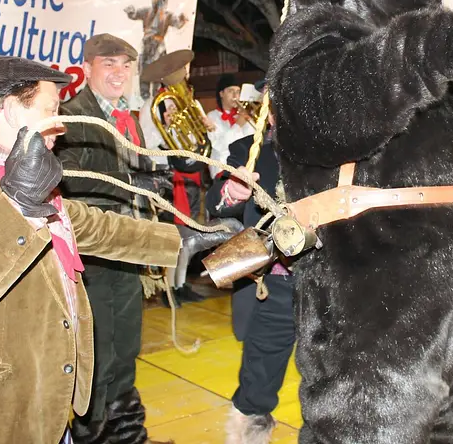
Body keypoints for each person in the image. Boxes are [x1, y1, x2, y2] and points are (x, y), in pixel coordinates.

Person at [0, 55, 199, 444]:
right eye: (50, 110)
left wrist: (184, 240)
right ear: (8, 110)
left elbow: (98, 226)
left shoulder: (24, 183)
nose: (60, 124)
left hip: (45, 410)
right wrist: (20, 205)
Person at [56, 34, 227, 443]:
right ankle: (92, 434)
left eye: (125, 65)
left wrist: (162, 171)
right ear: (89, 68)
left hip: (130, 248)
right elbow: (68, 177)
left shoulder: (128, 116)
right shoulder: (72, 113)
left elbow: (137, 170)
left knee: (127, 346)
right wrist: (133, 181)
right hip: (92, 254)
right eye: (109, 64)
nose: (119, 72)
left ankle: (127, 434)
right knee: (95, 353)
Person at [205, 82, 292, 444]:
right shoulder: (249, 150)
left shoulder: (340, 152)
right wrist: (232, 192)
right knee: (258, 383)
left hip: (335, 287)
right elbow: (215, 201)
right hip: (273, 288)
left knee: (340, 379)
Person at [206, 74, 255, 179]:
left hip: (245, 170)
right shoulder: (212, 116)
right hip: (222, 170)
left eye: (238, 92)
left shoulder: (242, 115)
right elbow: (220, 145)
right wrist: (238, 126)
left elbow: (253, 140)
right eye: (230, 91)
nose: (235, 95)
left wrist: (248, 120)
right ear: (221, 94)